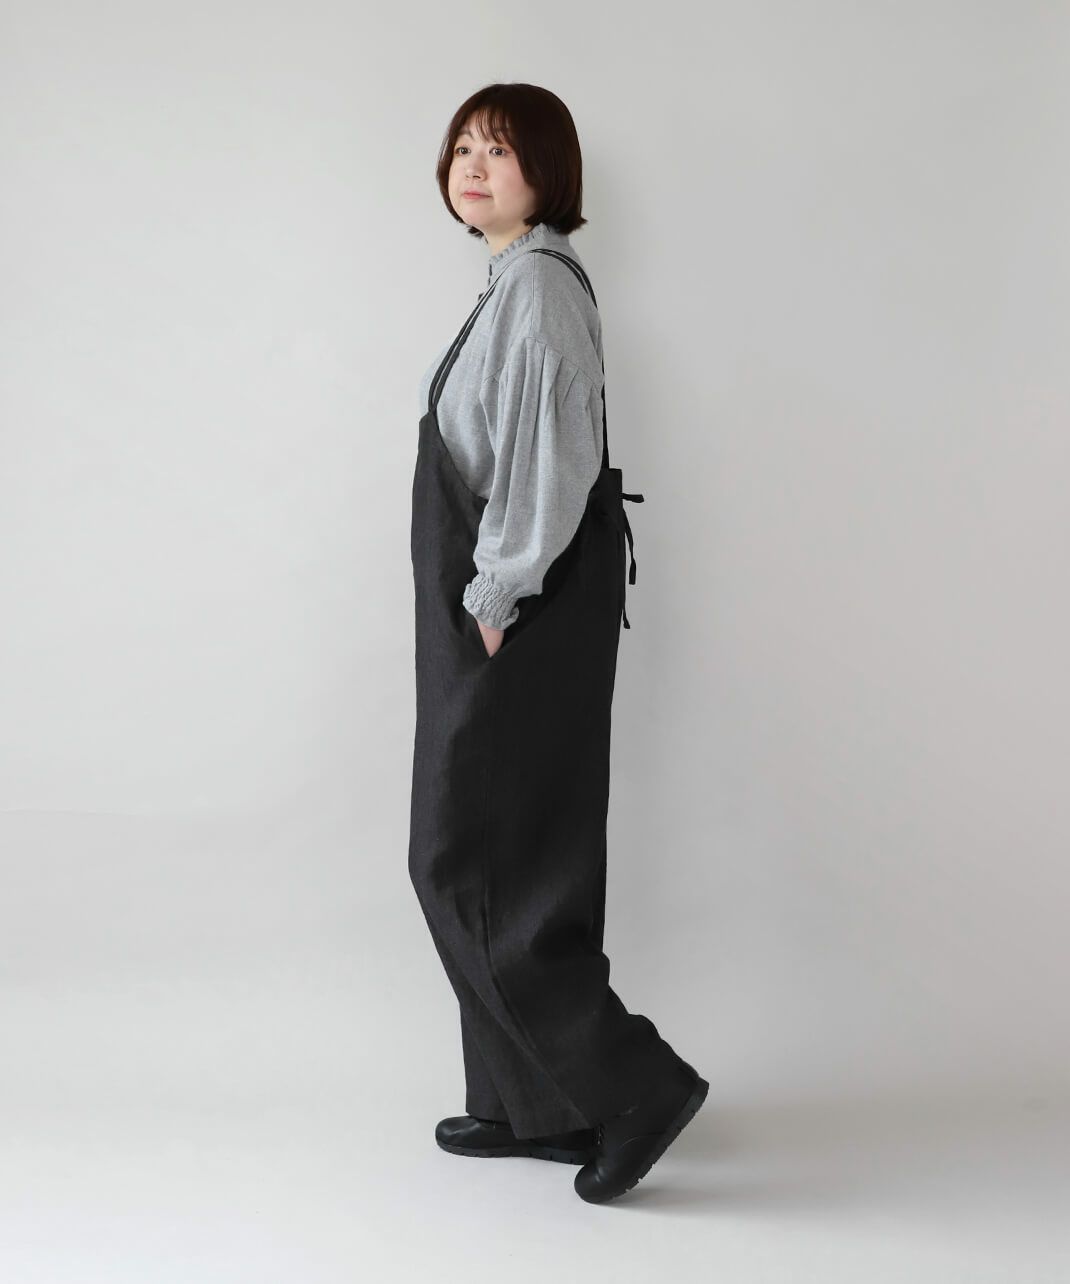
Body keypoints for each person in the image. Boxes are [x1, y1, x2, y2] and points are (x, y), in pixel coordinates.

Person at [408, 82, 708, 1204]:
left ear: (548, 171)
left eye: (499, 149)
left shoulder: (535, 289)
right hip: (504, 607)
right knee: (510, 856)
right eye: (463, 147)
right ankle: (538, 1104)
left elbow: (548, 463)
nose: (473, 165)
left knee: (474, 858)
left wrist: (495, 597)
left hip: (515, 611)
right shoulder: (511, 281)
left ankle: (632, 1088)